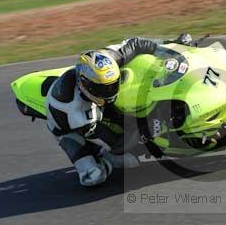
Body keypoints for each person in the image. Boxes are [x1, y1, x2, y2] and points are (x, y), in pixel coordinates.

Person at [46, 34, 192, 187]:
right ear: (86, 85)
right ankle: (104, 161)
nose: (111, 92)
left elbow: (136, 44)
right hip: (71, 128)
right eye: (104, 89)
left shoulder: (106, 60)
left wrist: (168, 48)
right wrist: (144, 131)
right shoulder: (79, 115)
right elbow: (115, 143)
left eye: (113, 85)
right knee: (97, 176)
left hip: (96, 106)